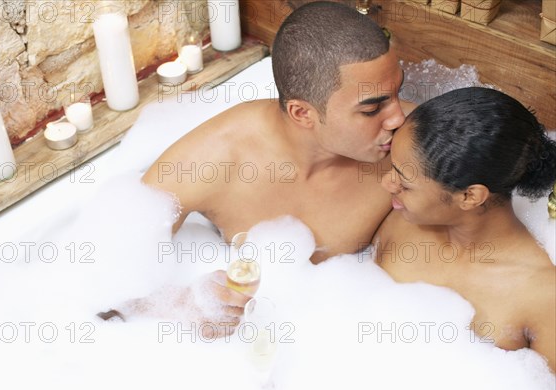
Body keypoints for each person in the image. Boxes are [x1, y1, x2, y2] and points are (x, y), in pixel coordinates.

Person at [100, 1, 413, 333]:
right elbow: (106, 279)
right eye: (372, 109)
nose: (397, 117)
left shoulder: (414, 145)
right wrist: (184, 307)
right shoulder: (214, 159)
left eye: (397, 92)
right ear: (302, 113)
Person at [374, 87, 556, 371]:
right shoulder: (402, 220)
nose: (387, 183)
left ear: (470, 196)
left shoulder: (541, 296)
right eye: (392, 168)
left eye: (404, 182)